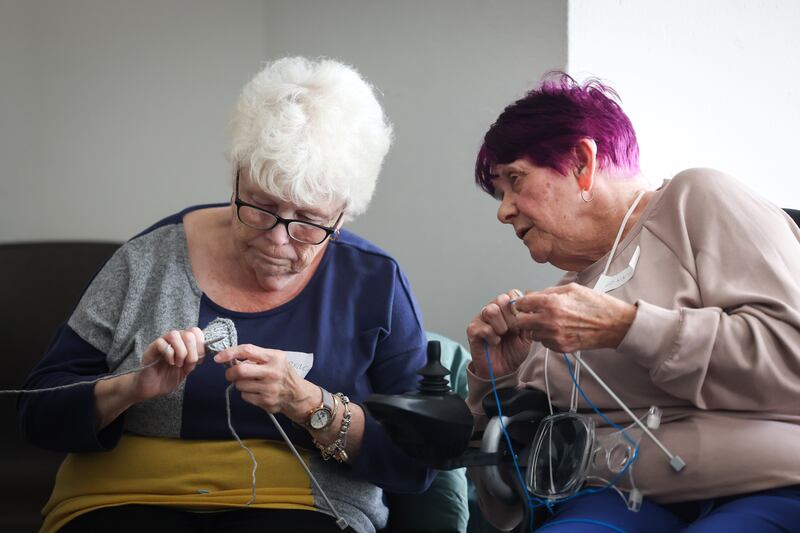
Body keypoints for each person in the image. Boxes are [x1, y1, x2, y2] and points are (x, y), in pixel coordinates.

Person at [18, 57, 433, 533]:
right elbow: (36, 413)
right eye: (261, 206)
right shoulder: (148, 261)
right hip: (125, 496)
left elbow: (415, 462)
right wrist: (132, 388)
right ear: (236, 177)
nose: (279, 239)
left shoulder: (374, 282)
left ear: (342, 217)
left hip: (303, 506)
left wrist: (309, 405)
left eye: (308, 222)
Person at [465, 73, 800, 532]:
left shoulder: (695, 199)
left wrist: (627, 327)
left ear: (582, 161)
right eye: (501, 194)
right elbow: (503, 504)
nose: (503, 211)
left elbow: (792, 355)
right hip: (621, 499)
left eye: (515, 181)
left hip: (771, 482)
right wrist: (494, 375)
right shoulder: (562, 305)